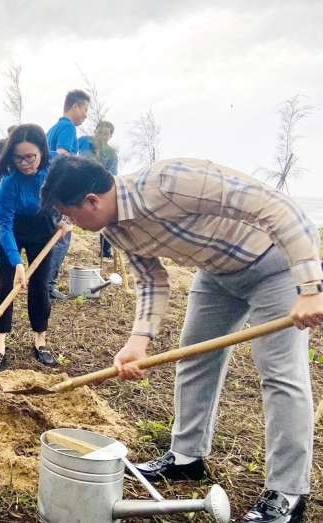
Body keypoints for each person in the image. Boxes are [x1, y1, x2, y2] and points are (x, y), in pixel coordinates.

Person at [41, 156, 322, 523]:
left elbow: (277, 207)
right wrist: (138, 339)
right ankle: (186, 458)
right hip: (217, 275)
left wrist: (311, 286)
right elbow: (151, 279)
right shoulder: (113, 227)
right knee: (194, 359)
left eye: (70, 214)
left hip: (274, 267)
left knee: (279, 372)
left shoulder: (171, 181)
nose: (70, 223)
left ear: (91, 200)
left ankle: (287, 493)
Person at [0, 124, 62, 372]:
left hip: (43, 228)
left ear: (42, 152)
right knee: (7, 283)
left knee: (40, 285)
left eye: (31, 156)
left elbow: (68, 196)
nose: (25, 163)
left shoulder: (54, 171)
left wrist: (65, 218)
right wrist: (17, 262)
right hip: (13, 229)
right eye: (19, 157)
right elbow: (4, 224)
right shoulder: (8, 182)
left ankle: (40, 339)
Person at [44, 89, 90, 301]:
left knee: (51, 239)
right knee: (61, 238)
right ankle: (47, 285)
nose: (86, 115)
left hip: (48, 192)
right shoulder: (68, 128)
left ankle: (43, 282)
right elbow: (62, 157)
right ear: (75, 106)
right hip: (59, 194)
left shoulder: (54, 128)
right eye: (85, 109)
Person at [78, 120, 118, 258]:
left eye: (106, 134)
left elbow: (112, 175)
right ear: (95, 131)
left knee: (109, 213)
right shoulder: (83, 141)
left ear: (110, 136)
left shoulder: (111, 153)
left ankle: (106, 249)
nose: (103, 135)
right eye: (100, 132)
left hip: (99, 187)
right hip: (79, 182)